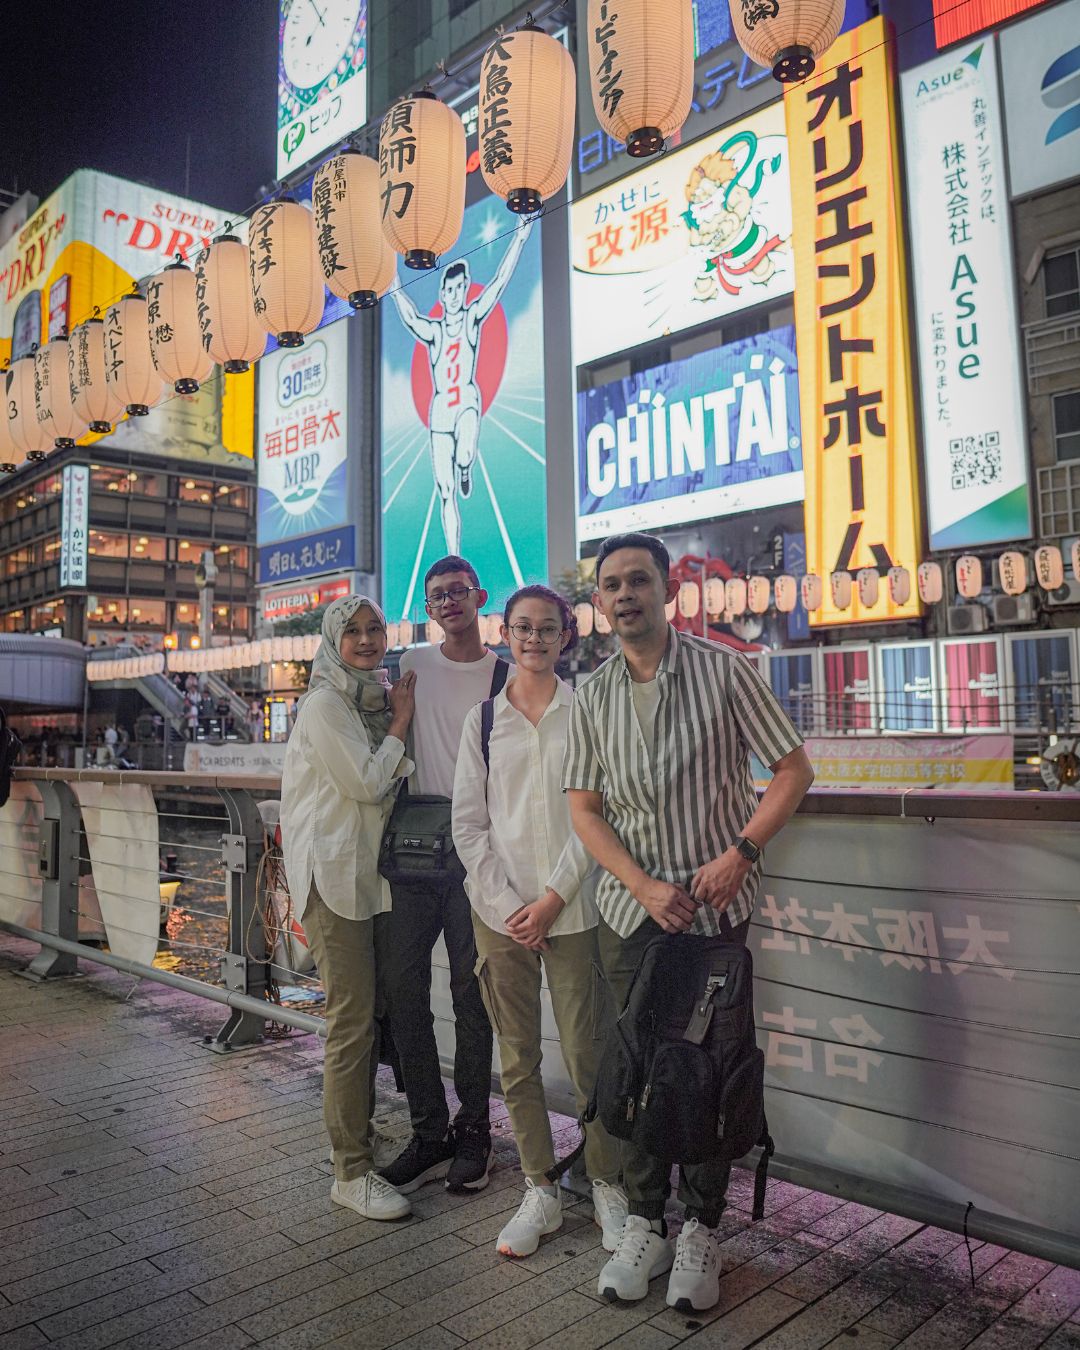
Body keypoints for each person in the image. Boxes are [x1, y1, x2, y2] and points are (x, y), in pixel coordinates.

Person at [564, 532, 815, 1313]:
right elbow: (584, 805)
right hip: (631, 915)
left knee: (709, 1070)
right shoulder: (594, 694)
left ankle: (702, 1228)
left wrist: (742, 850)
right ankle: (645, 1223)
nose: (626, 593)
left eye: (640, 580)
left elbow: (793, 769)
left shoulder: (725, 672)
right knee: (639, 1070)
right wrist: (640, 886)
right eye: (612, 584)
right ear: (600, 603)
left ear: (669, 592)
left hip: (714, 912)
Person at [453, 584, 627, 1259]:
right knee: (518, 1056)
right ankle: (540, 1188)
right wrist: (507, 907)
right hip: (500, 917)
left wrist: (552, 896)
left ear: (565, 636)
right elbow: (469, 827)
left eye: (546, 628)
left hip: (574, 908)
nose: (533, 639)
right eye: (522, 627)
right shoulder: (482, 723)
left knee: (590, 1054)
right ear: (505, 633)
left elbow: (596, 816)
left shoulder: (585, 714)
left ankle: (606, 1182)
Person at [280, 594, 417, 1222]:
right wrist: (400, 727)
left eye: (374, 629)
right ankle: (350, 1170)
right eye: (352, 631)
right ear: (331, 641)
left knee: (364, 1016)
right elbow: (365, 782)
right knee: (352, 1023)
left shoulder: (363, 698)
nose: (366, 640)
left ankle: (353, 1139)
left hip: (361, 878)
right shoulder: (327, 705)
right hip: (332, 879)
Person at [379, 555, 503, 1196]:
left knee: (469, 993)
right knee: (401, 988)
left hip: (479, 853)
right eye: (436, 596)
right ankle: (428, 1130)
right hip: (414, 849)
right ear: (427, 608)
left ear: (480, 597)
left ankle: (474, 1132)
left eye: (458, 592)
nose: (449, 603)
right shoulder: (410, 667)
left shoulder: (506, 671)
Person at [388, 216, 532, 555]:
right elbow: (409, 316)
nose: (454, 295)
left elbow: (498, 282)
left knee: (465, 454)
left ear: (466, 289)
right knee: (444, 489)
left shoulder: (471, 319)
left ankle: (466, 466)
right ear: (442, 293)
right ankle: (454, 557)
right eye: (449, 290)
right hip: (440, 411)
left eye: (459, 289)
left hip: (466, 399)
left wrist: (521, 237)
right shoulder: (435, 332)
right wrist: (391, 279)